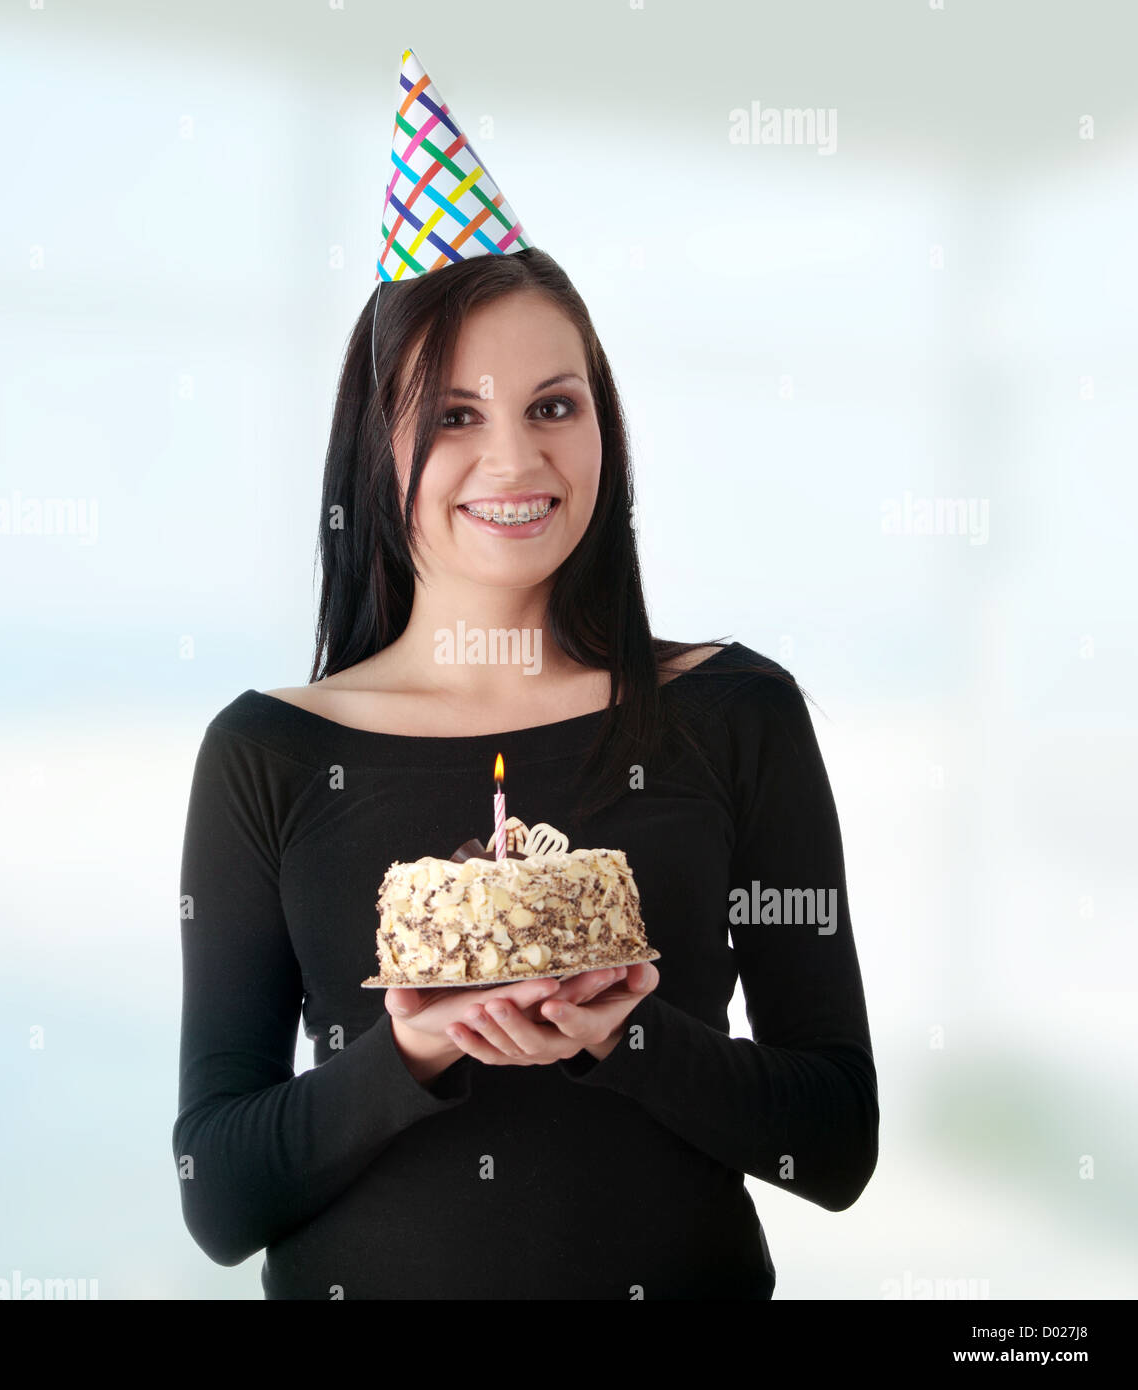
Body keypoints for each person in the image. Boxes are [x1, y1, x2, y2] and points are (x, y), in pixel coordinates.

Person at [172, 51, 877, 1299]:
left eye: (554, 405)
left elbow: (833, 1144)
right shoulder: (269, 753)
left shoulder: (735, 713)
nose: (515, 458)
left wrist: (629, 1038)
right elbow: (219, 1197)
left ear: (602, 424)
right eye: (452, 414)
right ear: (373, 446)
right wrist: (409, 1056)